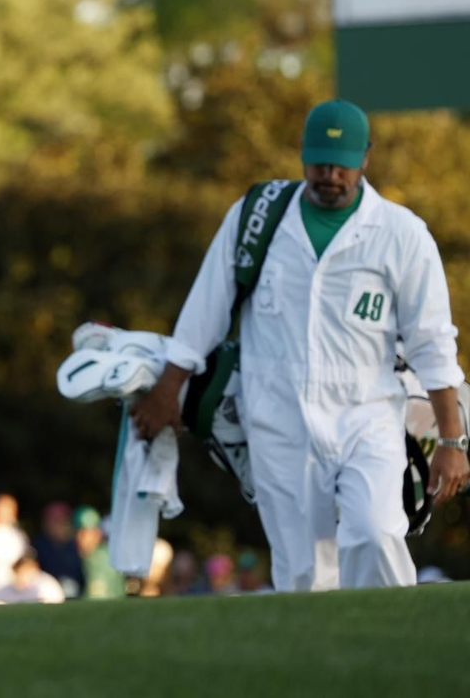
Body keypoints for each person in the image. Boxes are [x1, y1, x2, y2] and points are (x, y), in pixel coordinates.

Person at [132, 100, 468, 591]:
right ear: (301, 156)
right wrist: (168, 388)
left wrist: (451, 441)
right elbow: (205, 309)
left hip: (367, 417)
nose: (329, 175)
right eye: (318, 163)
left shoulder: (402, 234)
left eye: (341, 164)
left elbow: (434, 344)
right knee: (304, 571)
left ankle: (389, 653)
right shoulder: (257, 218)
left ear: (365, 159)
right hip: (277, 421)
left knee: (375, 536)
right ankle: (325, 664)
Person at [31, 501, 84, 598]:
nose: (57, 525)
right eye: (53, 520)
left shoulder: (78, 544)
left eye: (62, 520)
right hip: (47, 595)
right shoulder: (38, 545)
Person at [0, 547, 66, 605]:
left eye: (28, 567)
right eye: (20, 567)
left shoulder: (47, 586)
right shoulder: (8, 587)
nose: (23, 572)